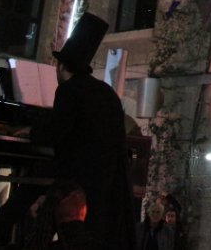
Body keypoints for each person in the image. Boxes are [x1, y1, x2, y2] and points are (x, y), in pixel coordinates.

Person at [28, 12, 135, 250]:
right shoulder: (106, 92)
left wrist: (30, 132)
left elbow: (54, 133)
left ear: (62, 66)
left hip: (76, 180)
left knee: (28, 182)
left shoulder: (69, 90)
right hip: (106, 186)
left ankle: (0, 230)